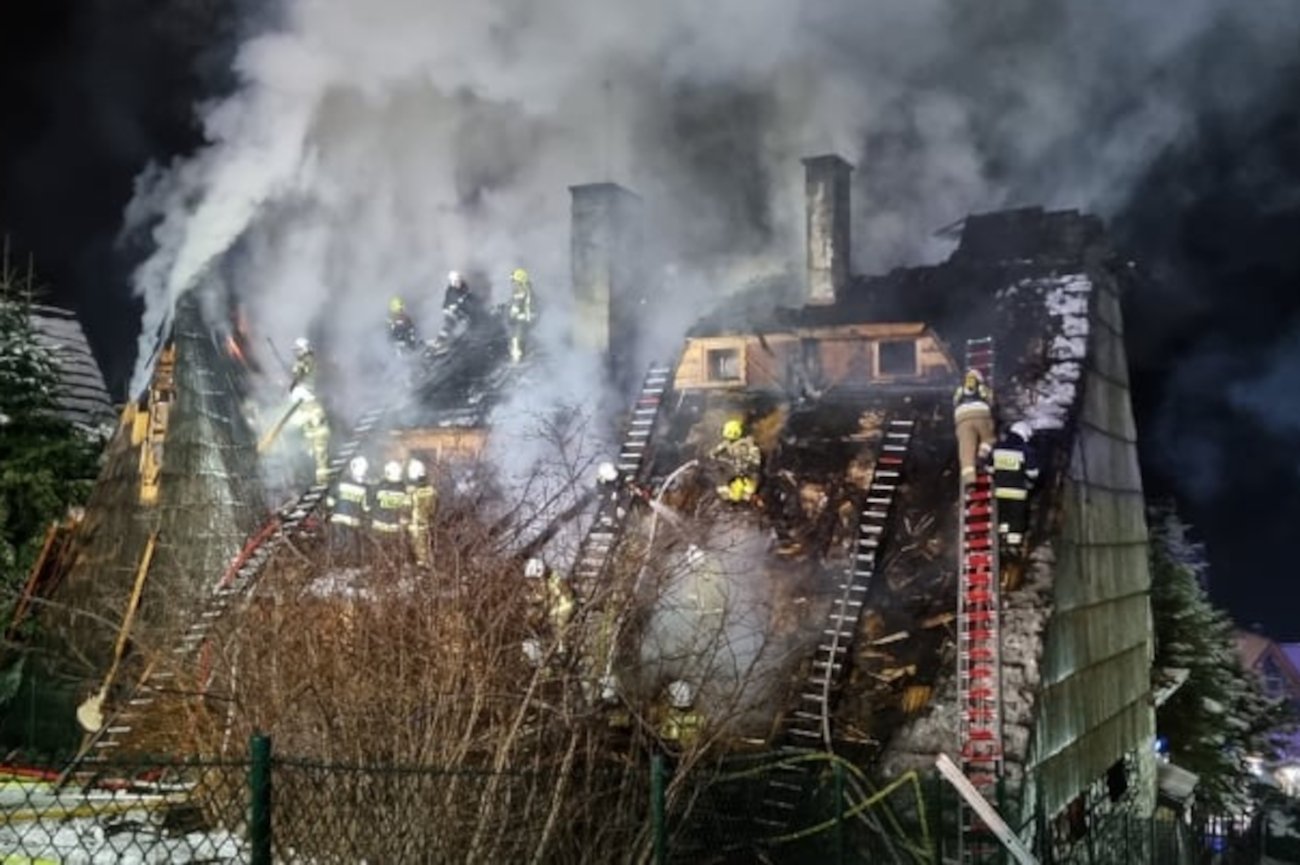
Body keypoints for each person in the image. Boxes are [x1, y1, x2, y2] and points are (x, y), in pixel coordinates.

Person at [992, 421, 1039, 555]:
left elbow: (989, 467)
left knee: (1002, 517)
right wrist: (1030, 483)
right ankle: (1013, 548)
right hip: (1018, 492)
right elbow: (1033, 473)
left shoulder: (997, 448)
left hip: (999, 491)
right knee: (1016, 520)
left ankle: (1000, 540)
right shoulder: (1026, 451)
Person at [524, 556, 576, 654]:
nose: (530, 583)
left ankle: (561, 647)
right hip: (557, 604)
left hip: (564, 605)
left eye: (532, 579)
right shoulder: (548, 578)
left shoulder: (550, 581)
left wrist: (530, 600)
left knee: (554, 621)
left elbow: (543, 597)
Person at [953, 368, 996, 485]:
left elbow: (955, 402)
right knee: (989, 438)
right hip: (981, 412)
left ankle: (969, 481)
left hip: (962, 418)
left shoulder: (960, 390)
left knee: (965, 452)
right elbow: (991, 400)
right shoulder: (982, 387)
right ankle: (981, 456)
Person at [327, 456, 371, 562]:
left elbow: (330, 501)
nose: (362, 470)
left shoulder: (340, 482)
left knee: (340, 544)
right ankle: (346, 564)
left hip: (339, 519)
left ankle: (338, 564)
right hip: (352, 521)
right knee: (352, 545)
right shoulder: (365, 487)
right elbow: (366, 507)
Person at [710, 419, 762, 503]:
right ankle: (742, 495)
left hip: (748, 469)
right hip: (735, 468)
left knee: (750, 488)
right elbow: (717, 450)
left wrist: (753, 461)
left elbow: (755, 453)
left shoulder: (747, 441)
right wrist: (713, 454)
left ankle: (748, 495)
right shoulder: (727, 443)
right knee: (731, 494)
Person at [371, 460, 411, 554]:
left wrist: (404, 521)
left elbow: (407, 507)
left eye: (397, 470)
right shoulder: (380, 486)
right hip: (379, 526)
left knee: (393, 552)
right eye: (394, 470)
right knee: (378, 553)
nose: (397, 472)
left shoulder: (404, 488)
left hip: (395, 527)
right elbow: (372, 503)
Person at [406, 458, 437, 566]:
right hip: (424, 526)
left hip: (413, 526)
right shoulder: (431, 490)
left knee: (418, 556)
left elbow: (404, 508)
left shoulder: (409, 490)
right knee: (424, 553)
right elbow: (433, 510)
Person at [656, 680, 704, 749]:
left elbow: (665, 735)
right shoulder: (699, 716)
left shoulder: (669, 715)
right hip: (690, 750)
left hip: (671, 748)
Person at [506, 268, 535, 364]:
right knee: (519, 339)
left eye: (514, 281)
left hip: (522, 321)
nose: (513, 283)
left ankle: (517, 361)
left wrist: (513, 316)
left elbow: (518, 306)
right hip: (523, 320)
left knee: (517, 340)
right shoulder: (525, 289)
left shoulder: (523, 291)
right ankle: (519, 358)